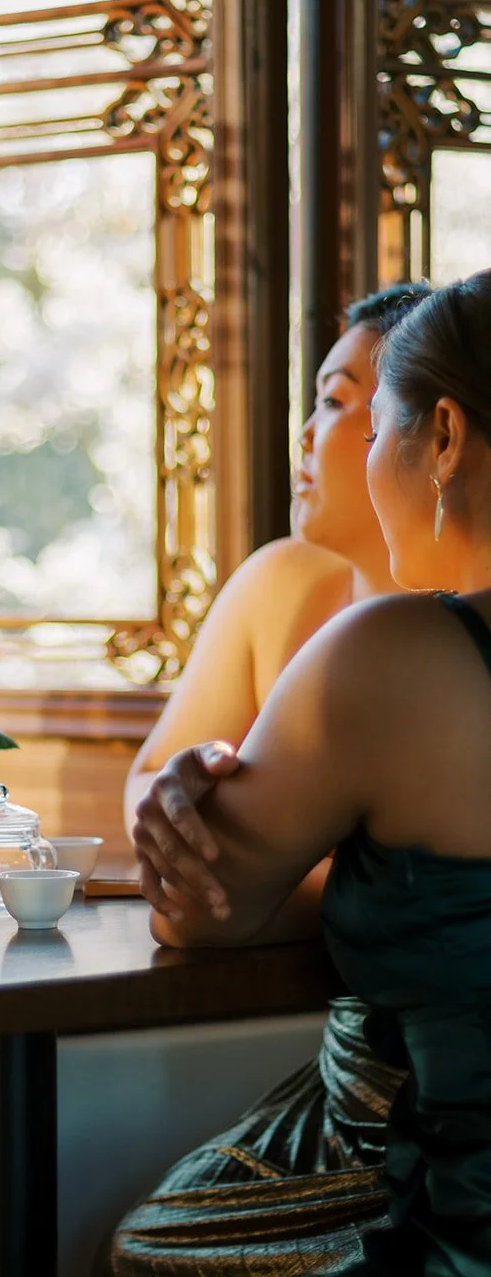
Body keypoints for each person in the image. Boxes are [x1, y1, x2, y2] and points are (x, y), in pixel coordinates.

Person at [130, 269, 491, 1272]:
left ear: (447, 435)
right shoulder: (303, 596)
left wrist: (202, 816)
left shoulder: (396, 653)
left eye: (372, 424)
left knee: (153, 1247)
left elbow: (191, 908)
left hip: (460, 1233)